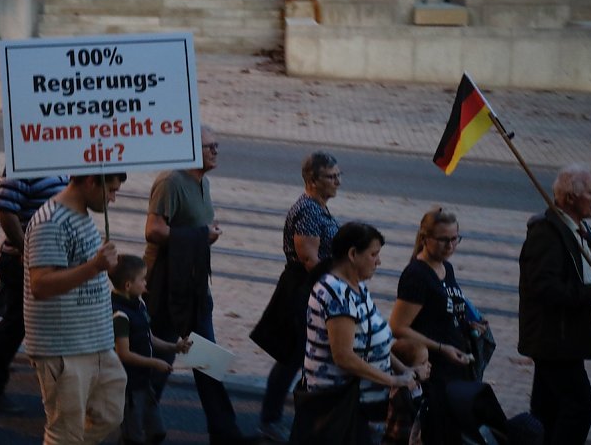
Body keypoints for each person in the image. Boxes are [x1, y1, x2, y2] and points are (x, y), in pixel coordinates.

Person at [144, 127, 258, 444]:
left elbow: (195, 227)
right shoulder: (170, 181)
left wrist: (206, 234)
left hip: (193, 284)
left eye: (216, 145)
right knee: (159, 359)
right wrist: (201, 236)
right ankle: (137, 424)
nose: (215, 151)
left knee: (207, 358)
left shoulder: (202, 182)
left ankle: (225, 432)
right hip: (166, 284)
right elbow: (153, 230)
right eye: (210, 146)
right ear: (191, 148)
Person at [294, 222, 422, 444]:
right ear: (353, 254)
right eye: (374, 254)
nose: (378, 261)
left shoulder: (356, 286)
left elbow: (373, 343)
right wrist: (393, 380)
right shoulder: (337, 294)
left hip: (357, 403)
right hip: (339, 405)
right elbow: (344, 357)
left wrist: (405, 371)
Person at [24, 173, 128, 444]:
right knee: (64, 435)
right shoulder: (51, 221)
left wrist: (104, 265)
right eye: (112, 190)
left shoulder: (82, 216)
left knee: (110, 414)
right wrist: (94, 266)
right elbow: (41, 284)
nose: (113, 199)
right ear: (92, 181)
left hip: (96, 343)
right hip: (63, 349)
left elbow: (84, 269)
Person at [518, 164, 591, 445]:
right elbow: (543, 288)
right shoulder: (547, 233)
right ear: (571, 198)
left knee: (545, 411)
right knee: (579, 407)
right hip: (555, 342)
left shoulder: (577, 229)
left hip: (565, 338)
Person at [251, 151, 342, 442]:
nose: (338, 181)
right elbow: (309, 258)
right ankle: (271, 420)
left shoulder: (318, 207)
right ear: (312, 180)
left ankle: (296, 417)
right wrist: (335, 286)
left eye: (338, 175)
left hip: (311, 287)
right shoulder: (308, 211)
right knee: (294, 356)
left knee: (301, 356)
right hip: (304, 288)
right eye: (331, 176)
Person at [389, 207, 485, 443]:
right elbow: (398, 326)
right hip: (433, 372)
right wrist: (441, 348)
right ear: (425, 239)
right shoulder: (416, 275)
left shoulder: (446, 267)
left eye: (455, 239)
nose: (450, 245)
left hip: (456, 367)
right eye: (443, 240)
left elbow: (446, 310)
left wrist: (468, 324)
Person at [0, 174, 68, 413]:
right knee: (18, 323)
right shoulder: (24, 161)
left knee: (20, 322)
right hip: (22, 261)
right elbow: (5, 209)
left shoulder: (61, 162)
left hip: (47, 258)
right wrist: (25, 249)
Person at [110, 254, 192, 445]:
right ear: (128, 285)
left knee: (157, 433)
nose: (146, 283)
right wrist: (155, 362)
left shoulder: (139, 304)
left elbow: (149, 337)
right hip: (129, 386)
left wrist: (175, 347)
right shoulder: (120, 315)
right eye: (142, 279)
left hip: (144, 383)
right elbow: (123, 353)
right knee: (133, 437)